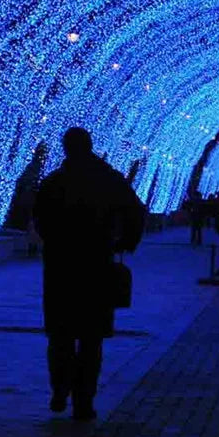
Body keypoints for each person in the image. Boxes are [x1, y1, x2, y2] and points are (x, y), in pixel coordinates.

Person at [34, 127, 145, 421]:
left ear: (66, 148)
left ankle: (60, 389)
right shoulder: (108, 180)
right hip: (97, 265)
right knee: (91, 338)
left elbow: (40, 219)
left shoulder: (55, 182)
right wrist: (125, 242)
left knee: (60, 335)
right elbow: (136, 211)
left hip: (61, 268)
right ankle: (84, 401)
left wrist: (54, 242)